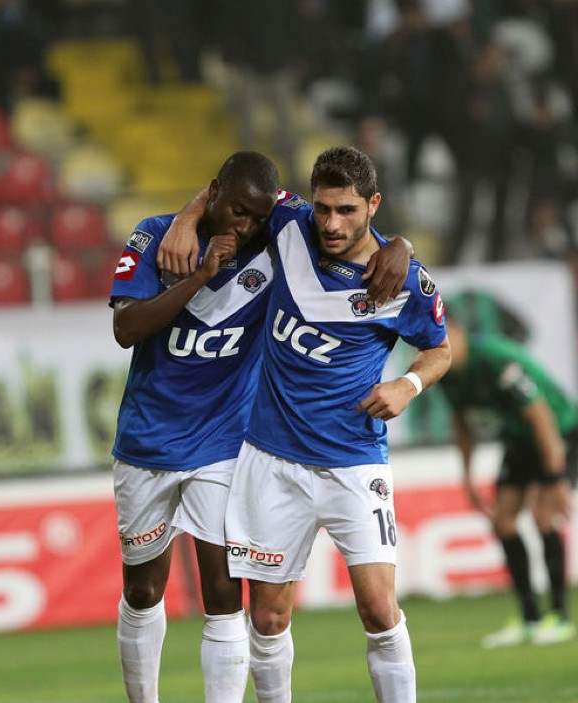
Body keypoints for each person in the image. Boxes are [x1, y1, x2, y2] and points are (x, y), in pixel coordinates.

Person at [110, 150, 413, 703]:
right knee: (143, 588)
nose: (246, 226)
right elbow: (126, 329)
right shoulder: (157, 236)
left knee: (225, 598)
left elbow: (346, 222)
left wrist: (402, 245)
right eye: (237, 212)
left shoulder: (279, 246)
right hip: (147, 440)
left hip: (226, 444)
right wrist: (196, 257)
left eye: (257, 217)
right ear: (213, 194)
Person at [441, 317, 577, 648]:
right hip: (519, 441)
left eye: (442, 336)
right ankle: (530, 618)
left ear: (459, 332)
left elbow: (540, 416)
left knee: (544, 516)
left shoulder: (496, 360)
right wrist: (468, 477)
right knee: (503, 522)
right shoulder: (444, 370)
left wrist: (557, 478)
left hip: (560, 432)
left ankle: (559, 617)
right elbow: (462, 424)